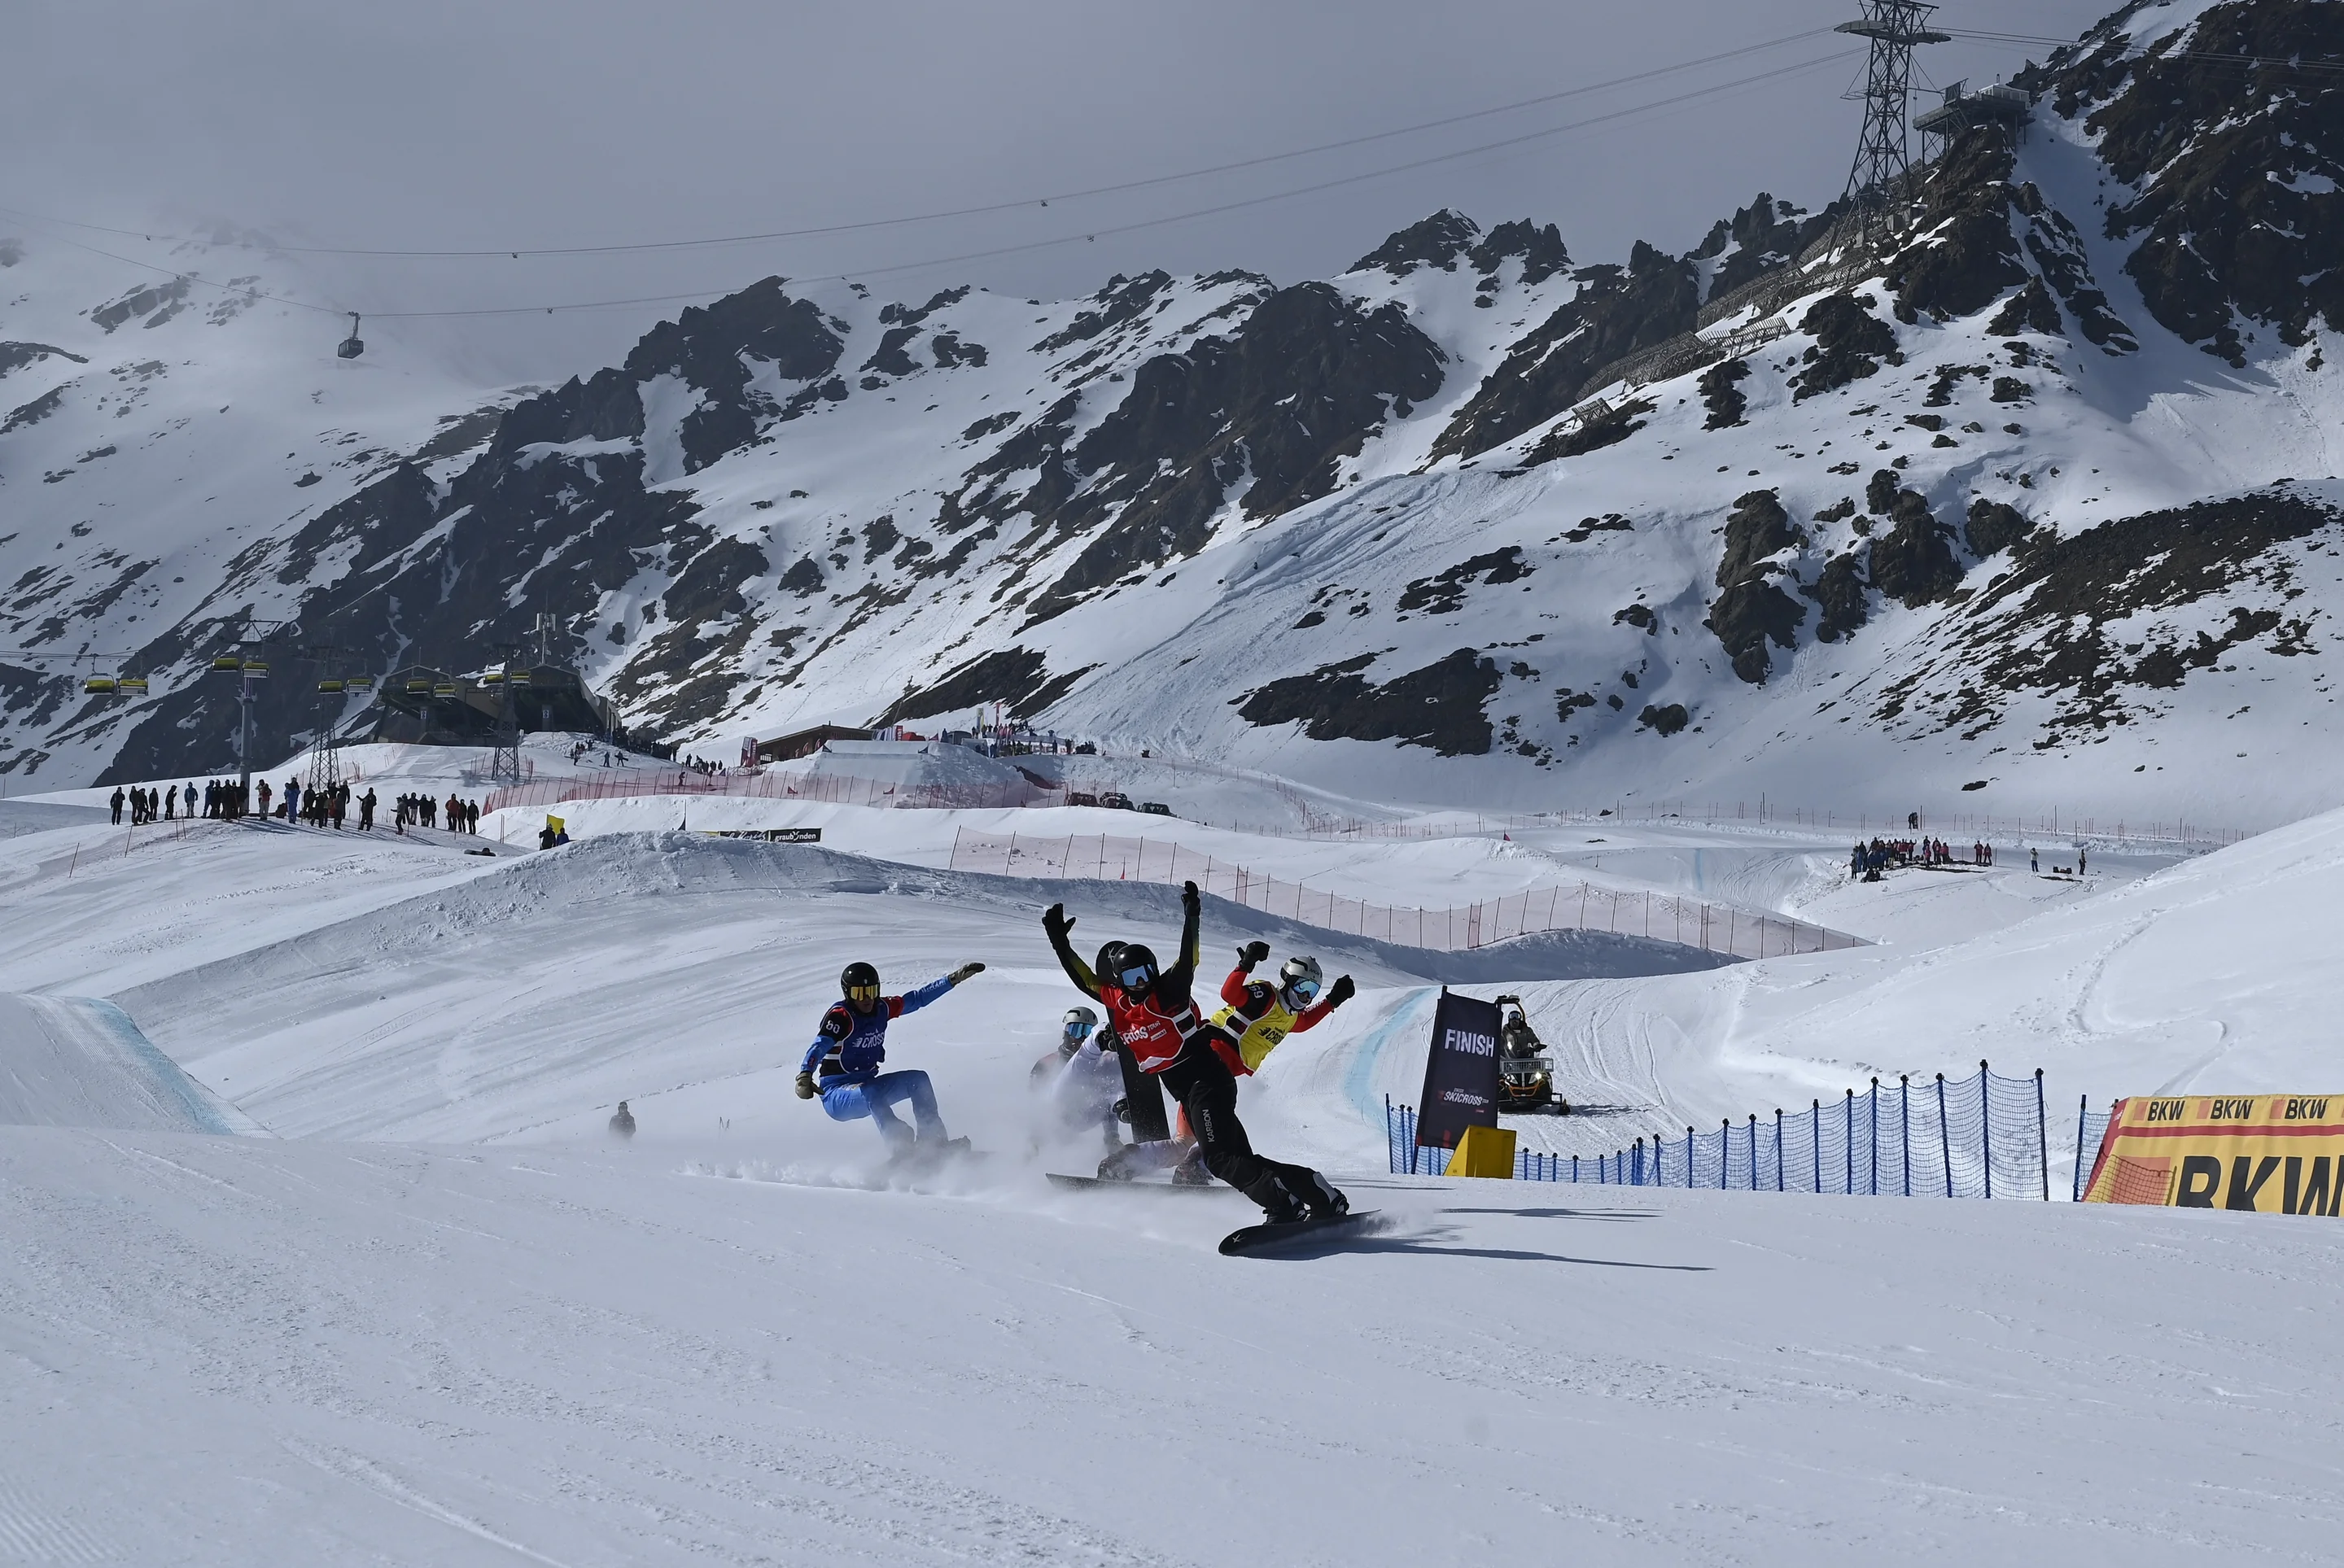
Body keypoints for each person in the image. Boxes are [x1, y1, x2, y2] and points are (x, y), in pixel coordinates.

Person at [1043, 882, 1346, 1224]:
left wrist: (1192, 916)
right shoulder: (1120, 1002)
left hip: (1206, 1079)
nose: (1142, 982)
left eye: (1147, 973)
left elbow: (1189, 960)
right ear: (1121, 980)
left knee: (1219, 1159)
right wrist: (1059, 940)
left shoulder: (1167, 994)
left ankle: (1283, 1205)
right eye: (1133, 976)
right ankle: (1317, 1192)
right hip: (1192, 1089)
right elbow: (1086, 980)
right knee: (1236, 1157)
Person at [794, 959, 986, 1156]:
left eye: (872, 991)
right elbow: (819, 1046)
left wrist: (952, 980)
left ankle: (933, 1143)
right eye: (859, 993)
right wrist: (805, 1075)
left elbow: (917, 999)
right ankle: (901, 1148)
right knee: (872, 1091)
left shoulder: (882, 1007)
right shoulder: (841, 1017)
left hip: (868, 1086)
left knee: (918, 1080)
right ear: (848, 994)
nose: (867, 998)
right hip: (837, 1095)